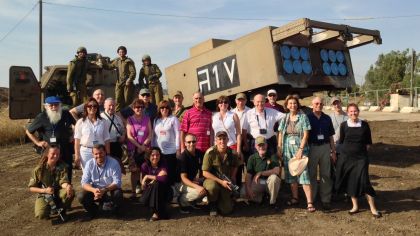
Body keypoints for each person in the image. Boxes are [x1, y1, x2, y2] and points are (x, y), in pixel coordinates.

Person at [335, 104, 382, 218]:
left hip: (361, 158)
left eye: (355, 111)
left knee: (365, 182)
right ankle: (355, 206)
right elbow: (341, 141)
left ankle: (373, 208)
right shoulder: (343, 125)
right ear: (348, 112)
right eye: (351, 111)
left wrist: (360, 153)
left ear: (358, 111)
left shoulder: (365, 125)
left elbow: (368, 143)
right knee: (351, 182)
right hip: (347, 158)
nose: (353, 113)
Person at [277, 95, 315, 212]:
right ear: (287, 105)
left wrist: (300, 149)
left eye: (294, 103)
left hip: (300, 147)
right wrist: (279, 148)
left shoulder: (303, 117)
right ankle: (295, 198)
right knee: (291, 173)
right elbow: (280, 133)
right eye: (290, 103)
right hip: (287, 148)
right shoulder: (285, 118)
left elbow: (306, 135)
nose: (293, 105)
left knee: (304, 174)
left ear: (297, 104)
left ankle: (309, 202)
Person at [26, 96, 75, 181]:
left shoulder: (66, 114)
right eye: (51, 105)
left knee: (67, 170)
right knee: (50, 171)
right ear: (46, 106)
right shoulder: (41, 117)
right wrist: (38, 142)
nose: (54, 107)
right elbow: (28, 131)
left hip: (65, 148)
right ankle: (50, 192)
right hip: (50, 151)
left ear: (60, 105)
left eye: (56, 105)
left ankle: (67, 191)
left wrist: (73, 135)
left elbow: (77, 125)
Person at [28, 145, 74, 221]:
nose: (56, 156)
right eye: (53, 153)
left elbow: (63, 182)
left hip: (58, 192)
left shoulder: (63, 166)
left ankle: (62, 210)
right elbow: (31, 188)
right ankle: (49, 210)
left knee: (69, 192)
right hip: (45, 194)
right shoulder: (38, 169)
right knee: (41, 214)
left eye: (58, 154)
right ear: (47, 154)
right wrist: (45, 190)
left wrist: (67, 186)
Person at [78, 144, 123, 220]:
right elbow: (84, 183)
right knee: (81, 196)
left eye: (101, 153)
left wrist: (104, 190)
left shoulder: (114, 163)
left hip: (109, 190)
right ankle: (93, 210)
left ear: (105, 152)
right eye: (96, 154)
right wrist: (94, 190)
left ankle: (115, 211)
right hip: (95, 190)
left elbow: (117, 182)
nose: (98, 156)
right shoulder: (89, 164)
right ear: (92, 154)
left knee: (117, 194)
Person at [307, 97, 336, 210]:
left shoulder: (327, 118)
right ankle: (312, 198)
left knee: (325, 174)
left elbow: (331, 136)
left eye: (321, 103)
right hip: (312, 148)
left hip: (325, 147)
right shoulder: (307, 117)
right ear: (312, 105)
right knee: (311, 174)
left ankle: (326, 198)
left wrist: (333, 151)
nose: (319, 105)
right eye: (316, 103)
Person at [202, 131, 240, 216]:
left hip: (225, 181)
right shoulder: (210, 152)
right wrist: (220, 182)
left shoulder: (233, 153)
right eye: (219, 139)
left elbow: (236, 165)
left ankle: (221, 200)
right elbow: (205, 172)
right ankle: (212, 205)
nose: (222, 141)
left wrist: (233, 177)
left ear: (228, 140)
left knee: (227, 210)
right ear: (216, 140)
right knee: (212, 187)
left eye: (224, 139)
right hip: (211, 180)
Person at [212, 95, 242, 185]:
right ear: (218, 104)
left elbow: (239, 133)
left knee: (233, 171)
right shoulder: (213, 116)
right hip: (218, 147)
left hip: (231, 145)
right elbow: (212, 133)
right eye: (221, 102)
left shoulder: (233, 115)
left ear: (228, 104)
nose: (223, 104)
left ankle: (235, 192)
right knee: (221, 171)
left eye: (225, 102)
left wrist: (238, 149)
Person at [126, 98, 152, 199]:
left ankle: (145, 190)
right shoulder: (129, 120)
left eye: (141, 107)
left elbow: (150, 133)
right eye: (137, 107)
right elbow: (129, 135)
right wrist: (139, 146)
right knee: (134, 171)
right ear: (133, 108)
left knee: (145, 169)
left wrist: (144, 145)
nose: (139, 109)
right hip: (133, 149)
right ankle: (133, 192)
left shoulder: (147, 118)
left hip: (145, 149)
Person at [245, 136, 281, 209]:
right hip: (258, 182)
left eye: (263, 145)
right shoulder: (252, 158)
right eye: (259, 145)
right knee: (243, 192)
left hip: (269, 182)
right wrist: (248, 188)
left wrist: (261, 173)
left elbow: (277, 170)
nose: (261, 147)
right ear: (255, 146)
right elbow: (248, 175)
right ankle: (261, 198)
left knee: (274, 178)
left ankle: (272, 201)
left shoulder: (272, 156)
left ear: (267, 145)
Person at [74, 98, 111, 169]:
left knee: (101, 172)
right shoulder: (80, 122)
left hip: (100, 151)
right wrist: (77, 155)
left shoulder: (103, 122)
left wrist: (108, 154)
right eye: (90, 106)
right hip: (86, 152)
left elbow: (107, 139)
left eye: (95, 106)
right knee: (87, 174)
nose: (92, 108)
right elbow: (77, 140)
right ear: (86, 108)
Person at [174, 133, 206, 213]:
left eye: (193, 141)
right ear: (184, 143)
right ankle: (182, 201)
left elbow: (203, 169)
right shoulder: (183, 157)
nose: (191, 144)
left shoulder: (199, 153)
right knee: (201, 191)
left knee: (208, 186)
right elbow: (183, 178)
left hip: (190, 180)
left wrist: (200, 180)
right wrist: (197, 186)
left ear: (196, 142)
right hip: (180, 182)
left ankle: (191, 202)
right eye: (188, 142)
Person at [152, 100, 180, 185]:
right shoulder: (156, 120)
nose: (165, 109)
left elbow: (178, 134)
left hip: (171, 152)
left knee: (171, 173)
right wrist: (153, 148)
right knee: (161, 173)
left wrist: (178, 148)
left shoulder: (173, 119)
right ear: (159, 109)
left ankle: (172, 192)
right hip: (159, 152)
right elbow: (154, 135)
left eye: (167, 107)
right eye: (162, 107)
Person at [101, 46, 136, 111]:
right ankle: (117, 114)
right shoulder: (117, 61)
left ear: (125, 52)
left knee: (127, 100)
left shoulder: (128, 61)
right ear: (118, 53)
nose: (121, 53)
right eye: (120, 52)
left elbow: (133, 72)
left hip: (127, 83)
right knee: (118, 99)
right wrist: (103, 62)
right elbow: (109, 67)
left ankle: (128, 115)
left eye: (123, 51)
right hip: (119, 83)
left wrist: (129, 79)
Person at [139, 147, 169, 221]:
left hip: (164, 190)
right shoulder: (144, 166)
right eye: (152, 155)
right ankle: (157, 211)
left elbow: (164, 179)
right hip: (149, 191)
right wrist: (156, 177)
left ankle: (155, 213)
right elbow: (143, 183)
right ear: (148, 156)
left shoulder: (163, 164)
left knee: (157, 183)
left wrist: (148, 176)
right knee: (155, 184)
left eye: (157, 155)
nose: (155, 157)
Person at [100, 97, 126, 174]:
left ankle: (116, 184)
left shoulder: (118, 118)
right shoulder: (100, 117)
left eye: (113, 106)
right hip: (104, 146)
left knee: (116, 167)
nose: (111, 108)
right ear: (105, 106)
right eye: (109, 105)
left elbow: (122, 130)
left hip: (116, 145)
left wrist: (123, 136)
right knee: (105, 168)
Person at [232, 92, 251, 188]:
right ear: (236, 101)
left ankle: (251, 186)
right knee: (238, 165)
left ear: (246, 101)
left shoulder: (251, 111)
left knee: (249, 164)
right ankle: (238, 186)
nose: (241, 102)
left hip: (247, 139)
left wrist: (246, 143)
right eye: (239, 100)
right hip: (236, 140)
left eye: (243, 100)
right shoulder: (231, 112)